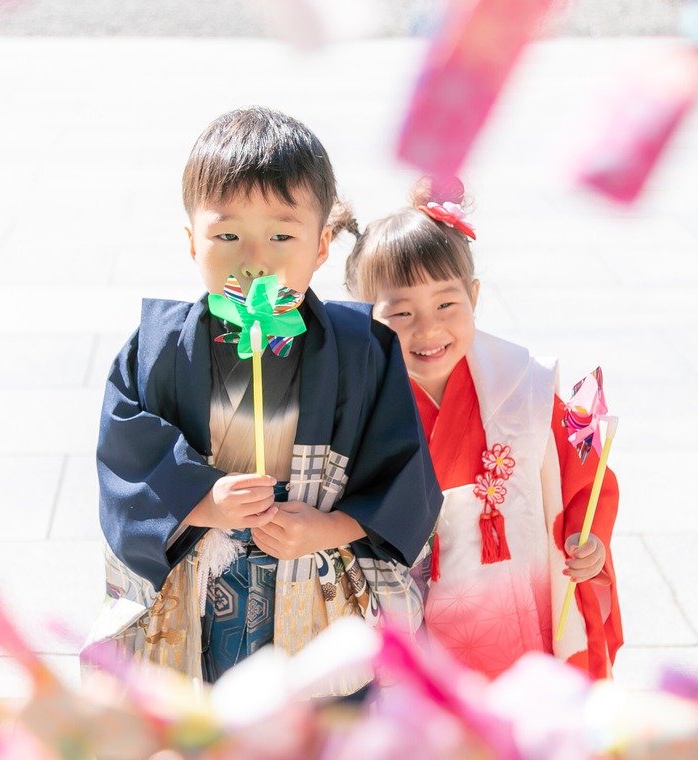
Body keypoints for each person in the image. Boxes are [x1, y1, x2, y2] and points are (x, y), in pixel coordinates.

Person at [84, 107, 442, 696]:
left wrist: (331, 527)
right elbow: (125, 461)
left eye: (282, 235)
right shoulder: (158, 348)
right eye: (227, 235)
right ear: (190, 240)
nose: (255, 259)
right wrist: (203, 498)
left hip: (317, 580)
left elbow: (405, 478)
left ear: (322, 245)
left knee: (316, 726)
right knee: (210, 719)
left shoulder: (363, 348)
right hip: (204, 585)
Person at [341, 177, 622, 680]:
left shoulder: (525, 385)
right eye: (401, 313)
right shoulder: (355, 402)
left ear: (474, 295)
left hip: (516, 604)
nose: (428, 331)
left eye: (446, 305)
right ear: (365, 317)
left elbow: (581, 477)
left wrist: (589, 538)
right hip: (410, 609)